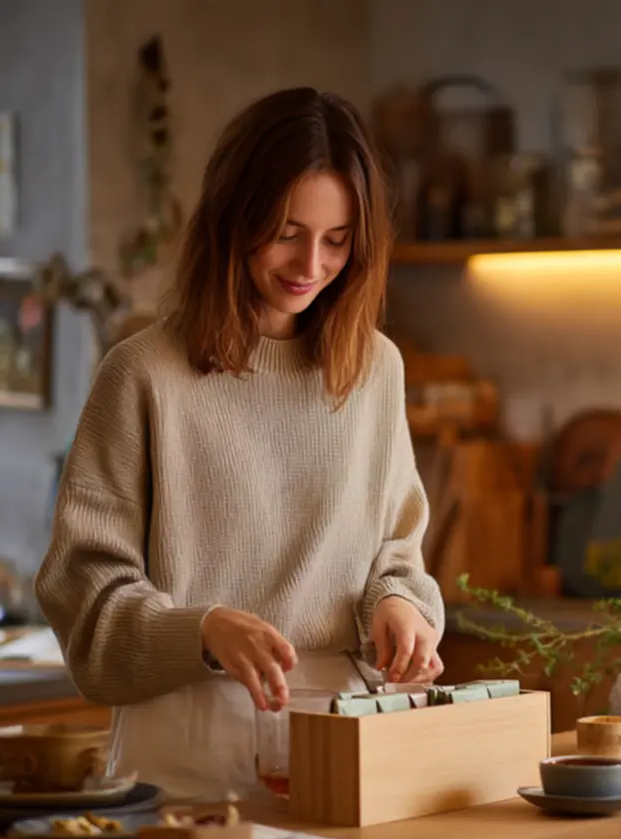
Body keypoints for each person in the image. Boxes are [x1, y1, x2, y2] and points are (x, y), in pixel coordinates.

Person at [35, 87, 445, 801]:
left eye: (337, 239)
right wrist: (200, 630)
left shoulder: (376, 369)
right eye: (286, 231)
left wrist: (400, 605)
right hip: (186, 735)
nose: (310, 264)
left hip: (350, 728)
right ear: (233, 217)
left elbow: (397, 555)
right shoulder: (142, 375)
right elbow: (85, 597)